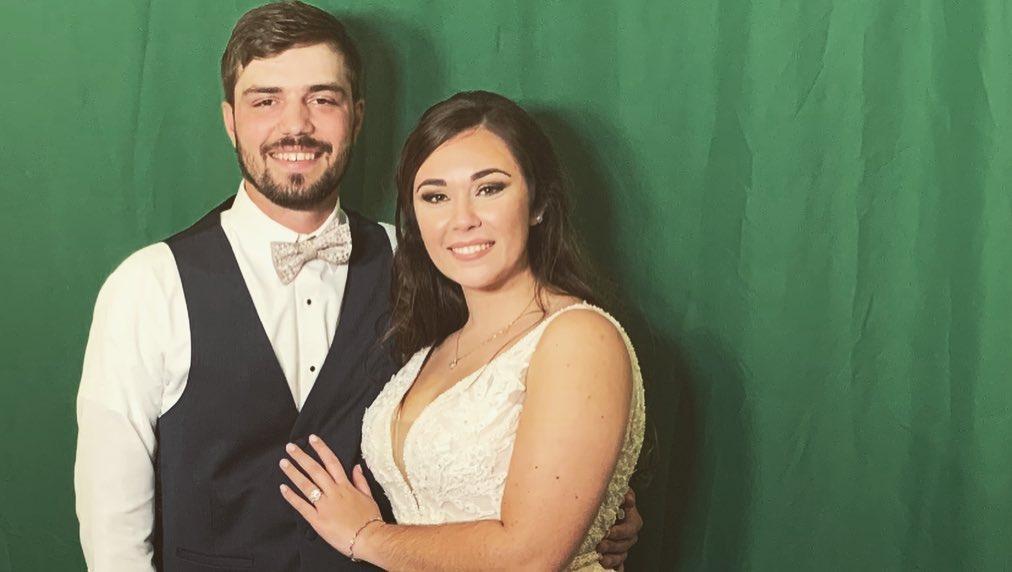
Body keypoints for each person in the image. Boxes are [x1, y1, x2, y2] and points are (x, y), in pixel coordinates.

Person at [74, 2, 641, 570]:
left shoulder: (419, 261)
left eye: (323, 99)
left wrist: (590, 502)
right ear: (230, 120)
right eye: (266, 100)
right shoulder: (149, 285)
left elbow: (510, 398)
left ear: (358, 115)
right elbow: (113, 534)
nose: (296, 125)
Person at [276, 91, 646, 571]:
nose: (463, 220)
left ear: (537, 202)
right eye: (435, 197)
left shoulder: (578, 337)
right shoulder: (430, 347)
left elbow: (530, 557)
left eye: (489, 189)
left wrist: (366, 536)